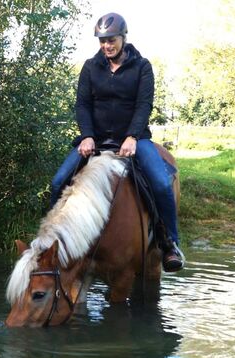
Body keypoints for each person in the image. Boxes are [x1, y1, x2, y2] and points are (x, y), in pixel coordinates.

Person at [50, 12, 185, 272]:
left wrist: (132, 136)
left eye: (111, 40)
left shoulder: (142, 67)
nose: (106, 46)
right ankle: (54, 242)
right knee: (58, 182)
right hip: (96, 140)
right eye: (102, 41)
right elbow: (83, 104)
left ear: (123, 38)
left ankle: (170, 243)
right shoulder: (90, 66)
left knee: (160, 183)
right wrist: (87, 134)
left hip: (134, 139)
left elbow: (144, 104)